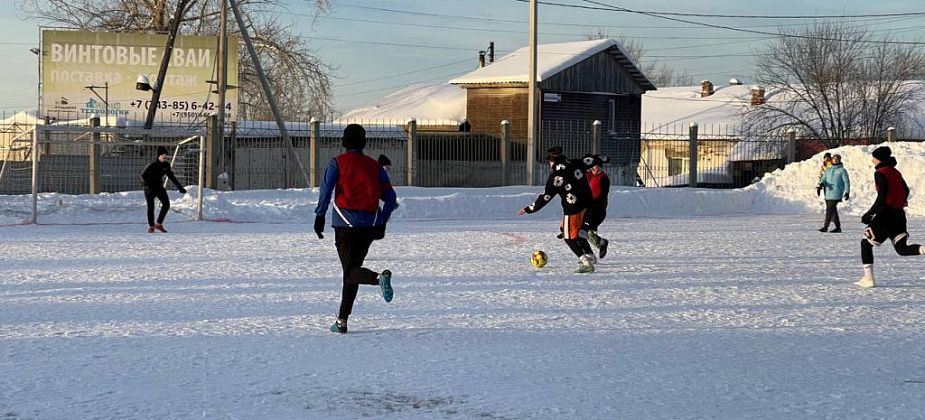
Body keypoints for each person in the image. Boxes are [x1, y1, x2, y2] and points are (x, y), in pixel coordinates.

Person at [314, 124, 398, 333]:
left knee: (351, 271)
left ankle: (378, 278)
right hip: (369, 226)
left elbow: (326, 190)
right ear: (364, 142)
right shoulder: (375, 167)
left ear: (344, 142)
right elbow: (390, 198)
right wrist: (382, 219)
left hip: (345, 224)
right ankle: (342, 321)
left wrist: (320, 216)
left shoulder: (337, 163)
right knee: (352, 271)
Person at [518, 146, 596, 273]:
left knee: (568, 238)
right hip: (586, 205)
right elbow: (590, 160)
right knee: (572, 231)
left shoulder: (555, 177)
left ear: (552, 161)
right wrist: (603, 158)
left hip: (572, 209)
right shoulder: (574, 163)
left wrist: (528, 209)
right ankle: (590, 255)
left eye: (549, 162)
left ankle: (586, 263)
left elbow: (545, 197)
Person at [857, 146, 925, 288]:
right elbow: (906, 190)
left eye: (874, 158)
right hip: (899, 216)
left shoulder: (880, 173)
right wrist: (899, 202)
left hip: (885, 215)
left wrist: (870, 213)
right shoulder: (896, 172)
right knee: (902, 249)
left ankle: (868, 279)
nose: (872, 160)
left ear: (880, 159)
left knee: (865, 243)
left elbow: (882, 196)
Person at [139, 146, 186, 233]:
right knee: (151, 207)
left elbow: (171, 176)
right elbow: (142, 176)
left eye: (165, 155)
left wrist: (179, 187)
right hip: (149, 188)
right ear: (158, 155)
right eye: (163, 155)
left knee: (166, 204)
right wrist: (146, 184)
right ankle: (151, 226)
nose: (165, 156)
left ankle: (159, 224)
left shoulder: (166, 165)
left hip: (159, 187)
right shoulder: (151, 165)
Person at [582, 153, 611, 258]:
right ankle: (599, 245)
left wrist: (591, 204)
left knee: (587, 232)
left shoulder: (603, 179)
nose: (596, 169)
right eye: (594, 166)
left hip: (597, 210)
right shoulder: (588, 175)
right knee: (582, 232)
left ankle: (596, 249)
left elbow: (602, 196)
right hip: (587, 209)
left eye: (598, 167)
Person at [816, 154, 850, 233]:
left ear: (839, 160)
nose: (835, 160)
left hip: (836, 193)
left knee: (829, 210)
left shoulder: (842, 170)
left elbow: (846, 182)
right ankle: (838, 227)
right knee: (833, 211)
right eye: (834, 159)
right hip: (828, 193)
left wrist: (847, 191)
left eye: (837, 159)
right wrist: (820, 185)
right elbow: (823, 179)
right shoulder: (828, 170)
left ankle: (825, 226)